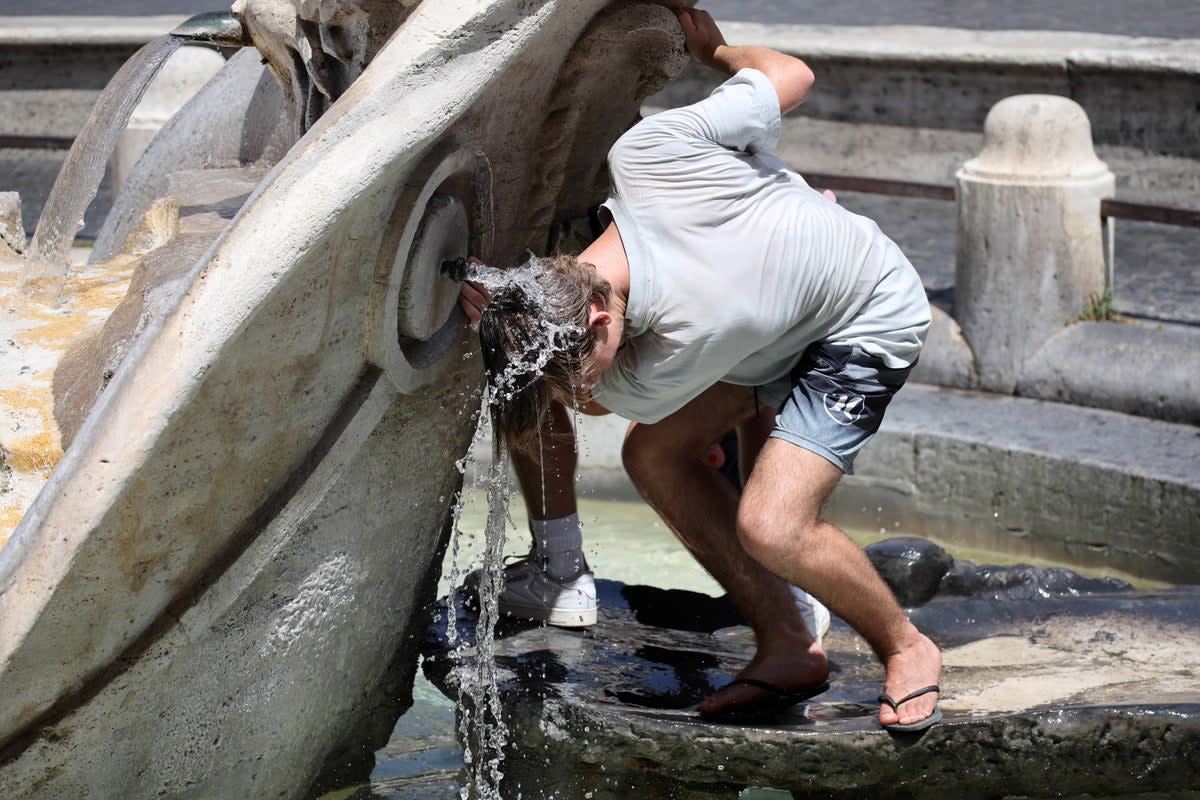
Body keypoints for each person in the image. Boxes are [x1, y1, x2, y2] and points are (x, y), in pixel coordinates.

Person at [460, 8, 942, 732]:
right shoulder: (649, 154)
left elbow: (599, 402)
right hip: (776, 316)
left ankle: (906, 648)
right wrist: (715, 51)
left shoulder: (683, 338)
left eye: (579, 371)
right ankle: (787, 640)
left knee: (773, 525)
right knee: (656, 454)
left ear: (597, 323)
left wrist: (581, 382)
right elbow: (789, 75)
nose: (580, 390)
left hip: (863, 317)